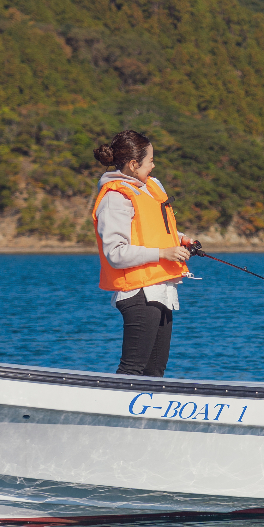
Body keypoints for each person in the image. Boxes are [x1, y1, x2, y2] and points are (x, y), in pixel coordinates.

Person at [92, 129, 192, 378]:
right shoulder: (115, 198)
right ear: (134, 164)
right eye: (150, 161)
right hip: (138, 294)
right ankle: (113, 403)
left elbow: (153, 231)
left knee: (155, 371)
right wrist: (163, 253)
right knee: (132, 369)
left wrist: (181, 240)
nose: (153, 165)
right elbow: (116, 253)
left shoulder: (148, 189)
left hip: (161, 290)